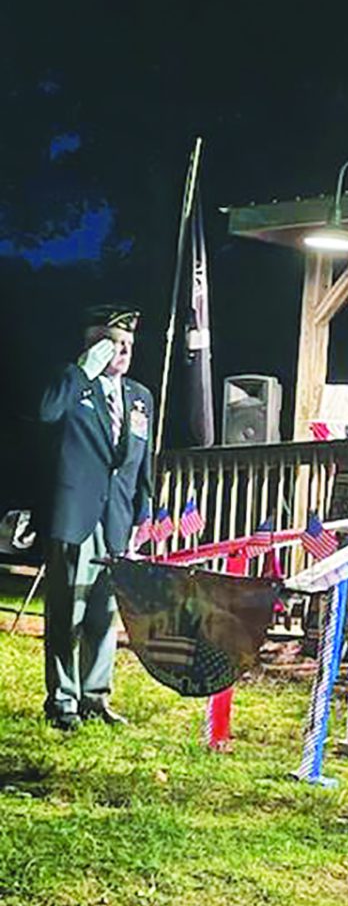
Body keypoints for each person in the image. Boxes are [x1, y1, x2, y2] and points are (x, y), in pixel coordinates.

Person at [39, 305, 153, 730]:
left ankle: (95, 696)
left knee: (105, 613)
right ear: (92, 347)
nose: (121, 352)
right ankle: (62, 700)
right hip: (76, 513)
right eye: (111, 343)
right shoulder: (72, 385)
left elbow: (144, 462)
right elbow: (48, 412)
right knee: (68, 610)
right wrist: (82, 371)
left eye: (127, 345)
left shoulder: (140, 397)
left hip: (118, 519)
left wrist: (143, 513)